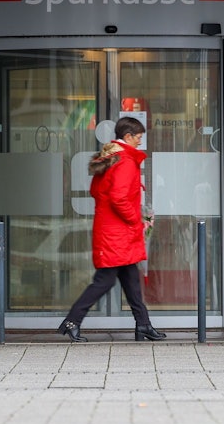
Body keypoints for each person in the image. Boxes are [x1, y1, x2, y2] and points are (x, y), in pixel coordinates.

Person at [57, 116, 166, 342]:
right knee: (104, 281)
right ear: (127, 136)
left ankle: (143, 324)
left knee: (131, 281)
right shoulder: (125, 161)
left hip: (112, 230)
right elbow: (118, 197)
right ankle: (72, 321)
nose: (140, 142)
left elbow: (99, 192)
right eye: (138, 138)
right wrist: (135, 219)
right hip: (118, 233)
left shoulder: (111, 158)